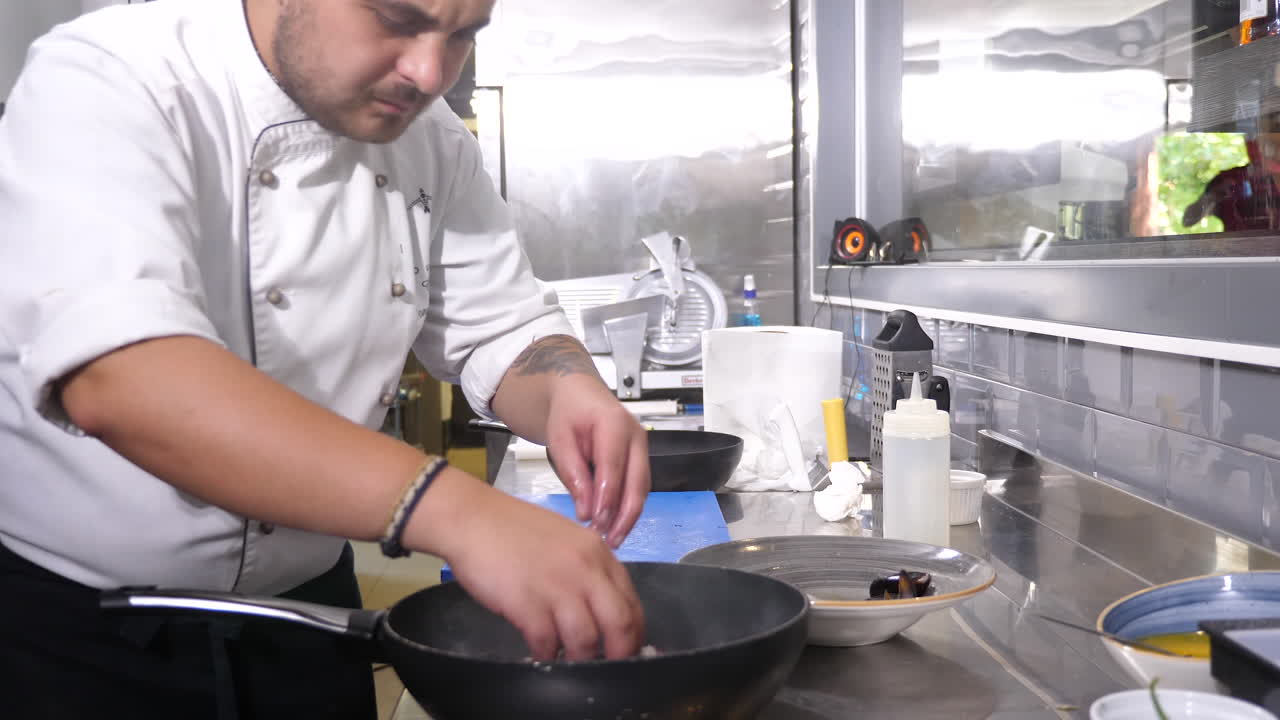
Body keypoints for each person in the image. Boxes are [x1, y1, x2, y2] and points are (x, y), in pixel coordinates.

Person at [0, 0, 652, 717]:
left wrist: (570, 390)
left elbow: (506, 327)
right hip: (77, 634)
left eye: (462, 35)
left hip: (308, 615)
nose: (431, 72)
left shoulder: (429, 139)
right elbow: (121, 375)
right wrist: (461, 513)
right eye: (397, 19)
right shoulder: (114, 76)